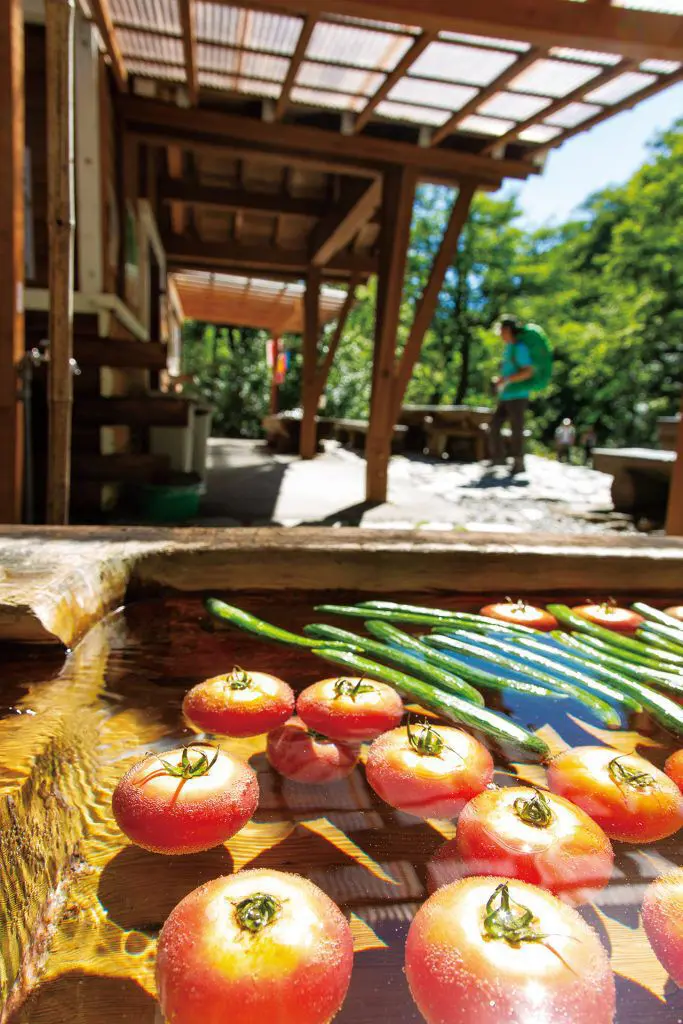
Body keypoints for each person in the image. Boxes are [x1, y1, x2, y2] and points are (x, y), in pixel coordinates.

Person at [488, 316, 538, 475]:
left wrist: (508, 379)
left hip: (518, 395)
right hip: (506, 395)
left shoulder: (520, 348)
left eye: (501, 330)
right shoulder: (509, 348)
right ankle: (499, 458)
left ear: (508, 330)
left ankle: (518, 461)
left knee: (516, 429)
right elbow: (509, 372)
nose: (500, 334)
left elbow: (528, 371)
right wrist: (500, 381)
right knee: (494, 425)